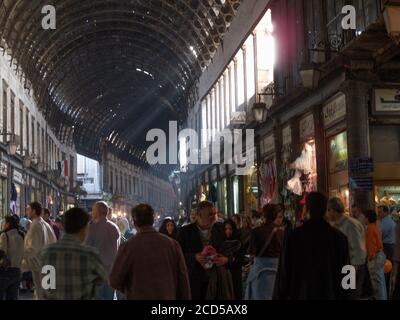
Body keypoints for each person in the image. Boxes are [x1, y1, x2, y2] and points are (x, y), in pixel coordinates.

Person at [275, 192, 349, 300]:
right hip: (331, 293)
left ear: (306, 209)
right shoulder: (339, 237)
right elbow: (347, 271)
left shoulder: (294, 237)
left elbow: (284, 273)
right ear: (325, 209)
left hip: (301, 293)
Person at [110, 204, 191, 300]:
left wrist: (130, 289)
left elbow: (114, 280)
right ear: (152, 220)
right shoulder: (172, 245)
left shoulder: (128, 247)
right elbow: (183, 280)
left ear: (134, 222)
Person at [40, 208, 108, 300]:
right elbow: (104, 277)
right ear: (83, 228)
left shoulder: (46, 252)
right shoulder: (89, 254)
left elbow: (46, 287)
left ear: (64, 226)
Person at [177, 201, 229, 300]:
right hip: (194, 282)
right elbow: (177, 256)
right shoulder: (185, 232)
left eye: (215, 214)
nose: (214, 217)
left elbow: (229, 252)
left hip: (216, 281)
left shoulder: (220, 229)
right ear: (199, 216)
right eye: (210, 214)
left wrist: (225, 259)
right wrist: (195, 257)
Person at [327, 197, 367, 299]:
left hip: (351, 267)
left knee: (350, 295)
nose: (327, 213)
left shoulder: (350, 225)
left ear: (333, 210)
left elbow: (357, 249)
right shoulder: (334, 224)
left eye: (328, 210)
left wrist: (352, 272)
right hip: (342, 267)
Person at [245, 204, 284, 300]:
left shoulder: (256, 231)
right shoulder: (282, 233)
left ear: (263, 216)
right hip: (277, 272)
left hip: (260, 273)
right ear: (276, 216)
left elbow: (252, 253)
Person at [85, 201, 120, 300]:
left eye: (93, 210)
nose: (91, 212)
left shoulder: (92, 228)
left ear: (97, 212)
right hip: (111, 271)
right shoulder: (114, 227)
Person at [22, 202, 57, 300]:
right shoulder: (44, 224)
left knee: (41, 293)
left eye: (28, 209)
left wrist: (18, 254)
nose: (26, 211)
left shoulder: (36, 225)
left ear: (34, 211)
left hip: (40, 265)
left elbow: (33, 249)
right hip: (48, 264)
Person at [0, 215, 24, 300]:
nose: (3, 224)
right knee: (12, 297)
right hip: (17, 271)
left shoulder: (4, 235)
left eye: (4, 222)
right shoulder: (21, 236)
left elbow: (2, 252)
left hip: (5, 272)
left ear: (8, 224)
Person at [365, 210, 387, 300]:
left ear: (367, 218)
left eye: (365, 217)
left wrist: (370, 257)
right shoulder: (375, 227)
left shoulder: (369, 228)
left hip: (375, 257)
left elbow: (371, 245)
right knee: (380, 282)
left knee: (377, 282)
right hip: (380, 254)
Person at [224, 219, 244, 300]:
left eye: (230, 229)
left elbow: (240, 260)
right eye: (225, 229)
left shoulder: (238, 242)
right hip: (225, 275)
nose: (228, 231)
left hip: (235, 274)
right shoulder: (221, 242)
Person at [378, 205, 396, 295]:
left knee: (385, 269)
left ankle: (385, 292)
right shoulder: (390, 220)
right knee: (388, 269)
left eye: (380, 212)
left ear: (385, 212)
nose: (379, 214)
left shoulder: (385, 222)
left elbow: (380, 234)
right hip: (391, 246)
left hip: (387, 246)